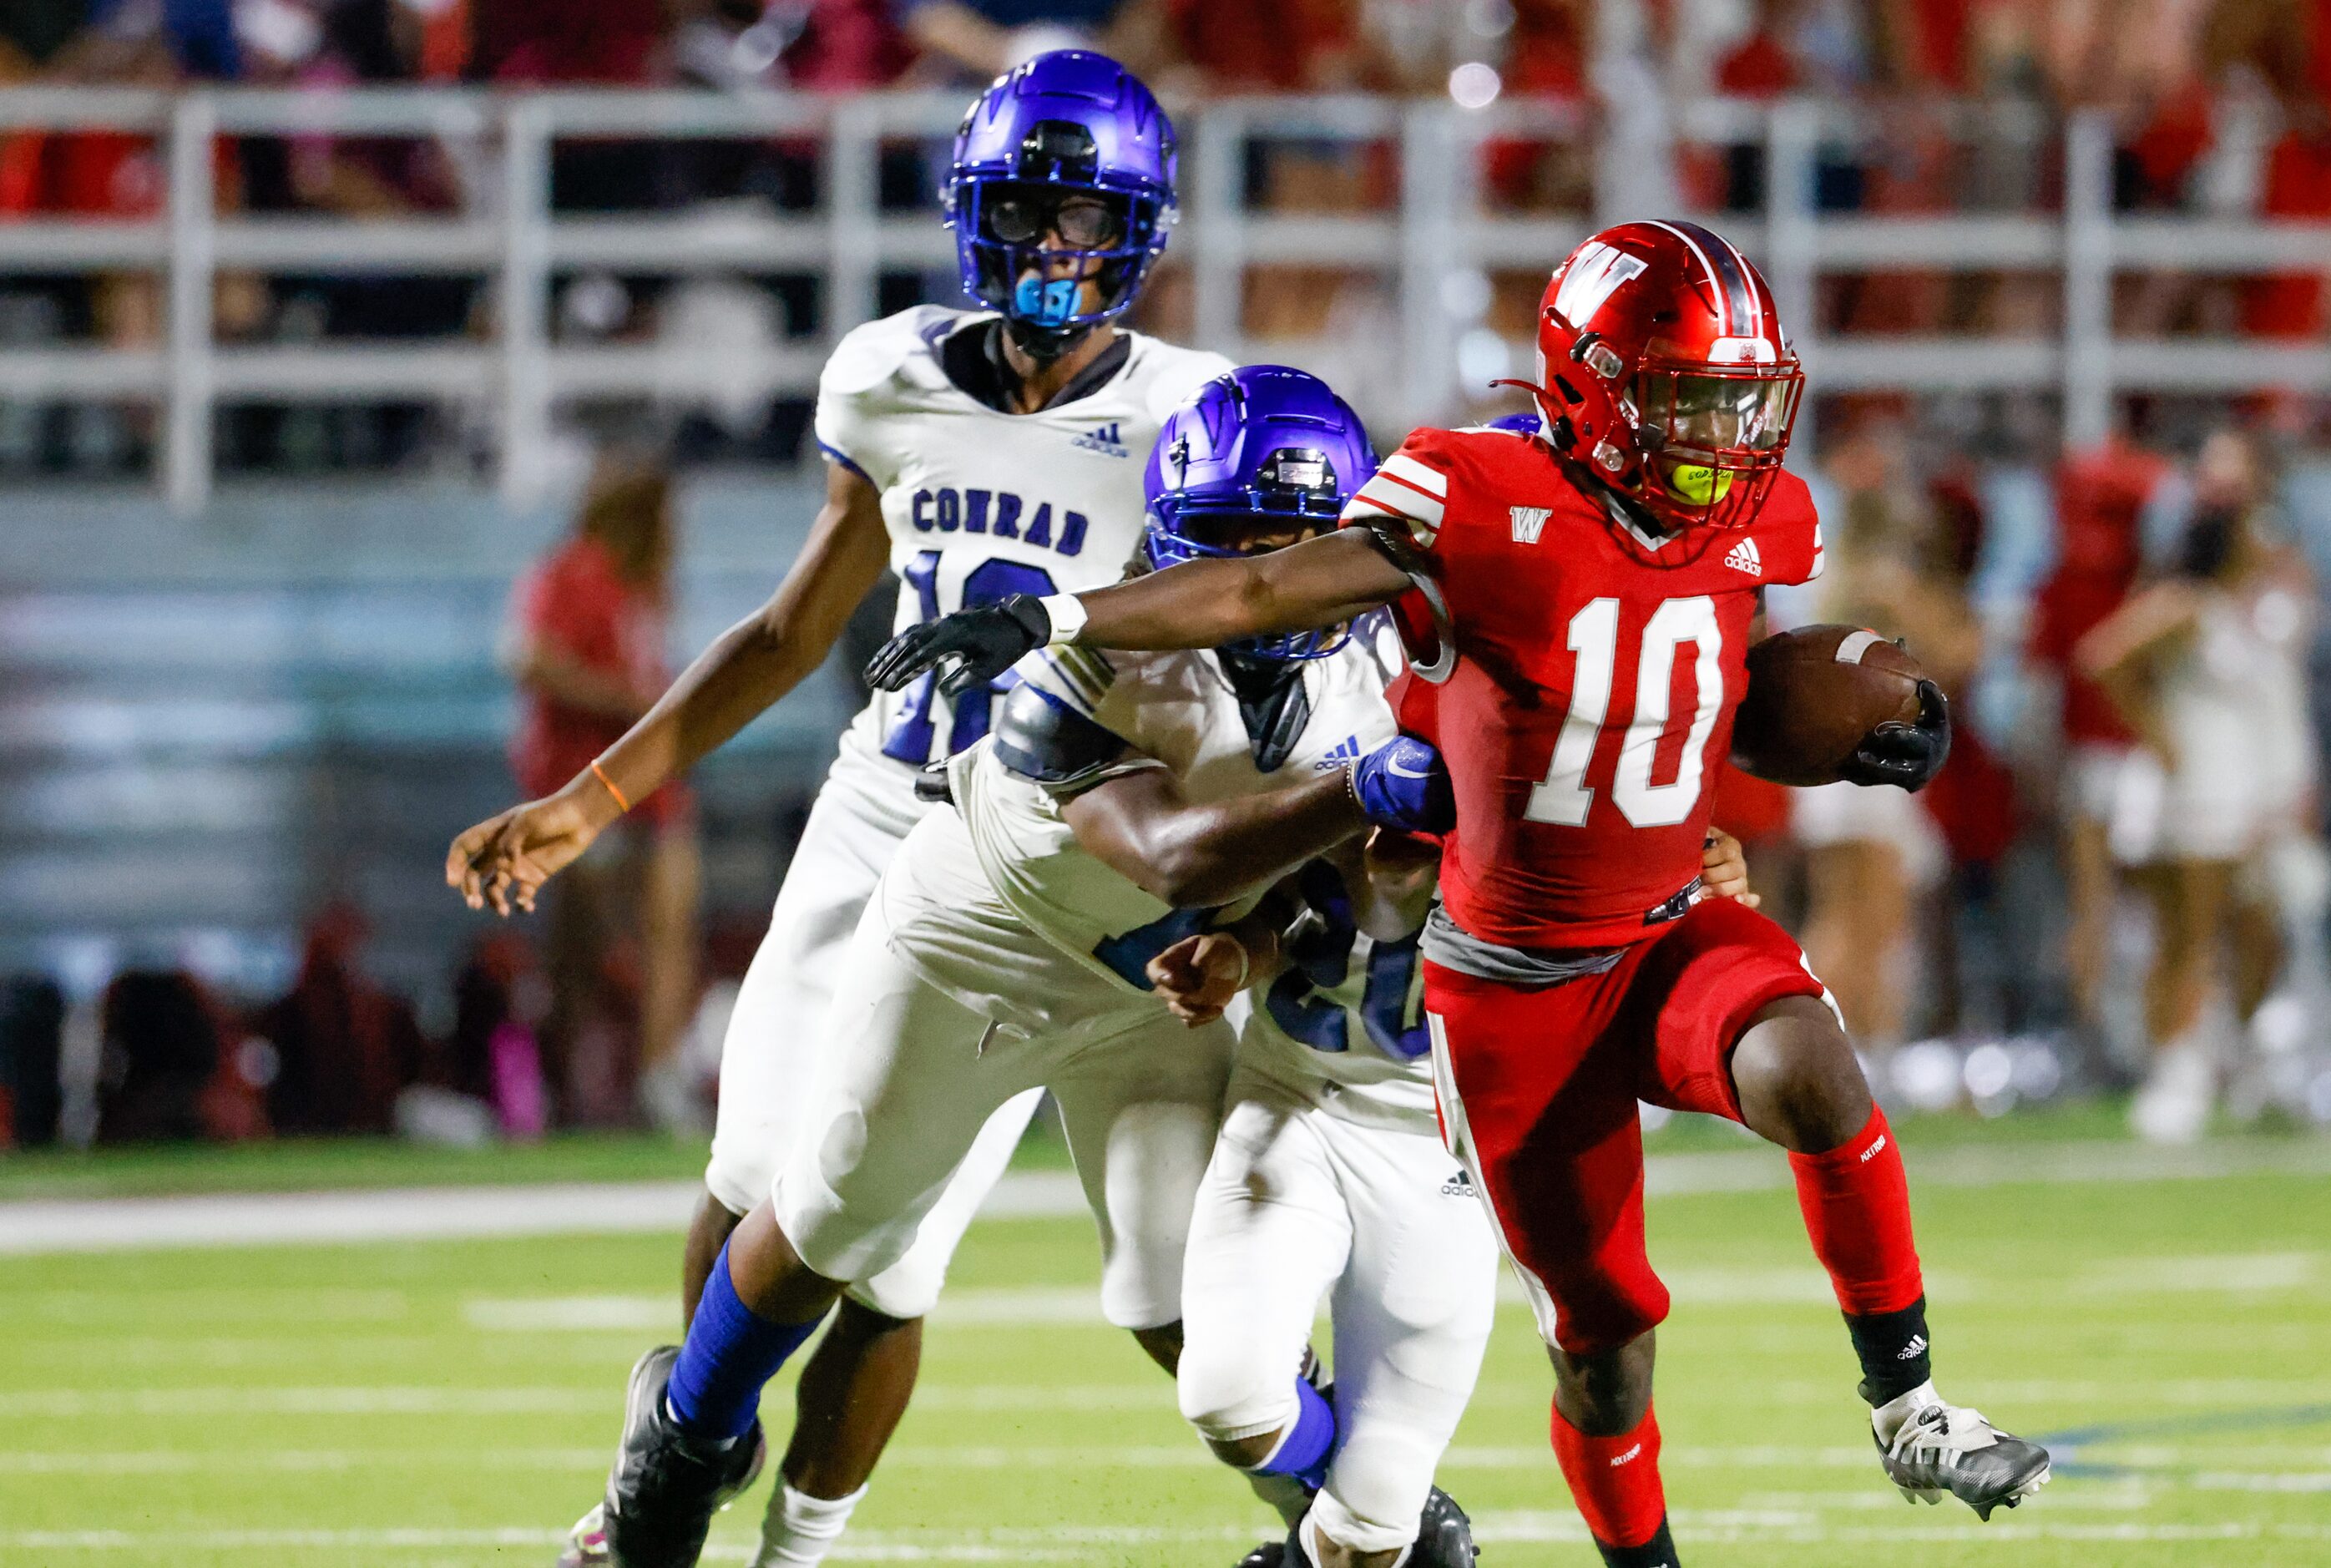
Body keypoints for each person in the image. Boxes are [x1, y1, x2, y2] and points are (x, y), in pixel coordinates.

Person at [872, 220, 2051, 1567]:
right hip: (1493, 996)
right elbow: (1266, 591)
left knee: (1815, 1069)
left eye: (1735, 398)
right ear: (1594, 381)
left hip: (1662, 930)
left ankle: (1904, 1397)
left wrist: (1857, 700)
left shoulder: (1754, 517)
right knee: (1595, 1335)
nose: (1719, 432)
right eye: (1685, 398)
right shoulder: (1465, 510)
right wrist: (1058, 617)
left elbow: (1694, 658)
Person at [448, 51, 1229, 1568]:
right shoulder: (888, 370)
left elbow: (1283, 607)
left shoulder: (1197, 415)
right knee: (752, 1180)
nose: (1056, 250)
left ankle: (796, 1544)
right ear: (971, 217)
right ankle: (674, 1452)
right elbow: (795, 628)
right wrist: (594, 796)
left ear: (1138, 231)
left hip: (1033, 869)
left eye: (1087, 219)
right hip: (877, 814)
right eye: (1029, 213)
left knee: (888, 1261)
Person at [528, 367, 1467, 1568]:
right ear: (1180, 548)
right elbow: (1173, 854)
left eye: (1298, 543)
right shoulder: (1097, 659)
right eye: (1240, 547)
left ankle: (1349, 1511)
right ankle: (680, 1441)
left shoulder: (1393, 655)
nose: (1270, 581)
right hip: (982, 950)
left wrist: (1259, 941)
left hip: (1155, 990)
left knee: (1184, 1293)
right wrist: (1360, 789)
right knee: (831, 1215)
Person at [2078, 426, 2318, 1143]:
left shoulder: (2274, 600)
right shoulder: (2187, 598)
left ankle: (2242, 1061)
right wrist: (2161, 740)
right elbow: (2104, 658)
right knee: (2191, 936)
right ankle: (2175, 1074)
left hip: (2262, 791)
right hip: (2200, 793)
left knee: (2261, 932)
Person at [504, 453, 700, 1127]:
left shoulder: (645, 588)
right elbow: (530, 659)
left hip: (652, 786)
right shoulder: (572, 573)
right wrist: (624, 702)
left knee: (671, 925)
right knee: (580, 951)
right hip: (585, 784)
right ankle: (566, 1084)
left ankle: (658, 1074)